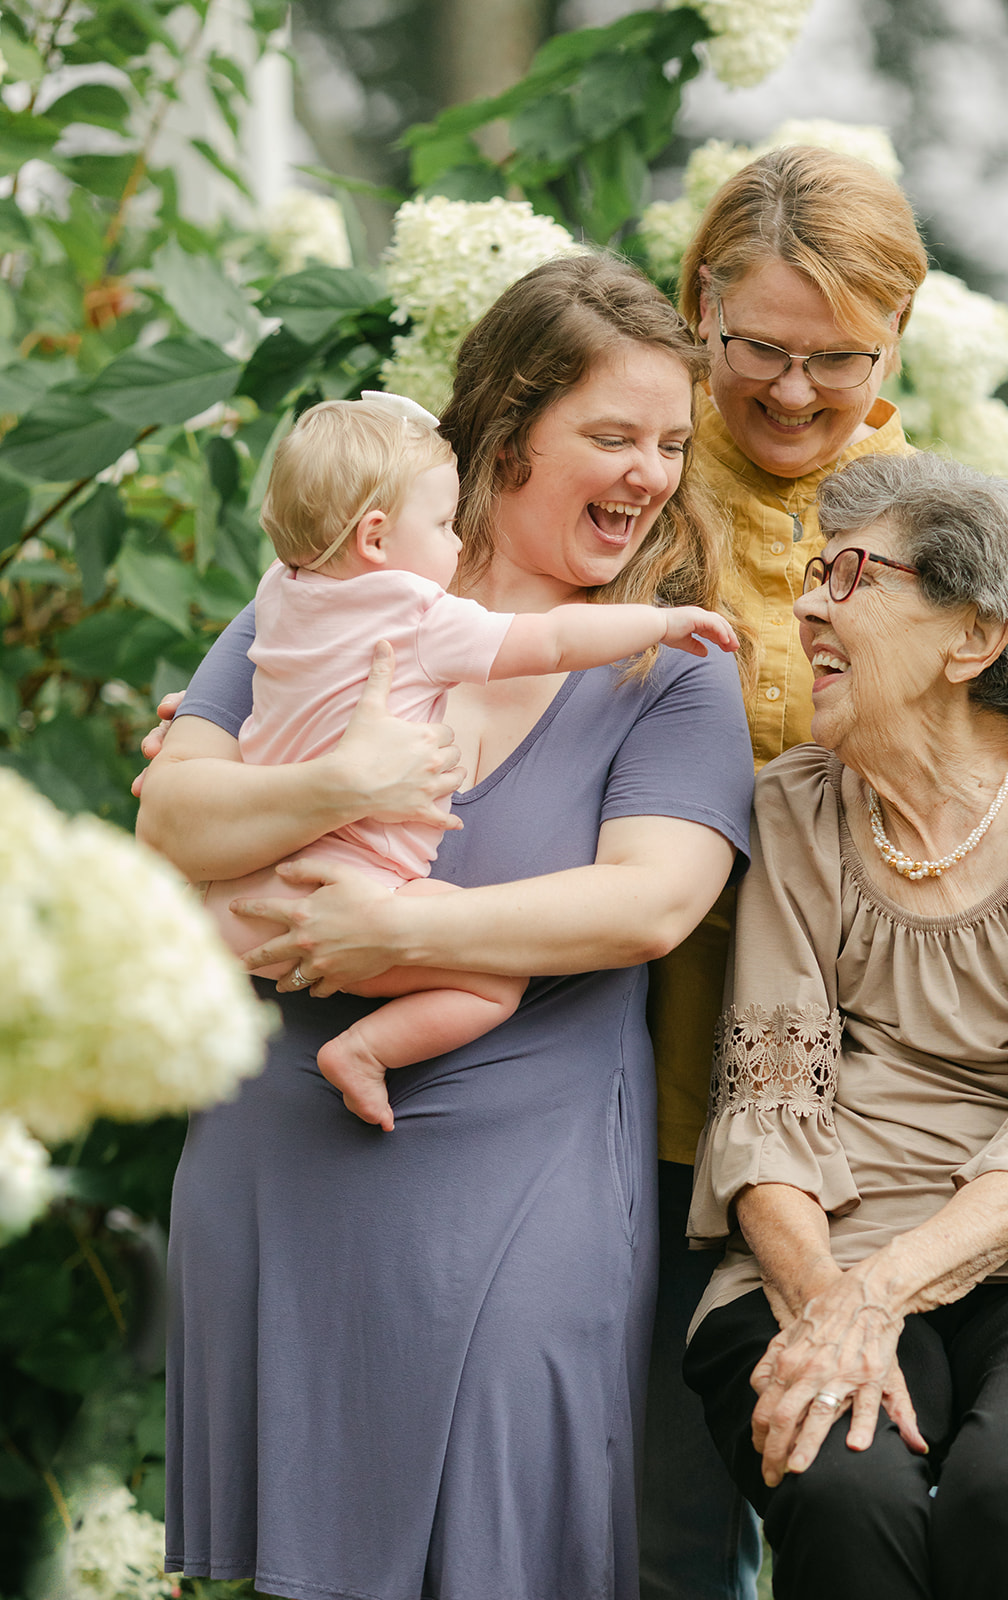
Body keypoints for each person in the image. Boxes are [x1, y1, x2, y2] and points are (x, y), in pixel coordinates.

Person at [137, 254, 756, 1600]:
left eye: (667, 441)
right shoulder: (314, 602)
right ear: (508, 425)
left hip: (523, 1149)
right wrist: (335, 789)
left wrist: (397, 929)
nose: (649, 473)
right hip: (281, 1137)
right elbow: (170, 829)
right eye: (611, 436)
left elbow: (649, 905)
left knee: (509, 1543)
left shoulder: (666, 663)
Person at [637, 144, 1008, 1600]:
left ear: (894, 343)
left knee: (946, 1483)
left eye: (841, 357)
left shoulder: (938, 535)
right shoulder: (636, 495)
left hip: (963, 1163)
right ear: (701, 307)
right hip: (662, 1104)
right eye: (761, 346)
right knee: (676, 1534)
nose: (794, 389)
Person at [205, 391, 738, 1130]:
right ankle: (362, 1051)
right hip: (349, 892)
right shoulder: (421, 618)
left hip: (235, 901)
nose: (459, 546)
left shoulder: (279, 596)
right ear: (376, 537)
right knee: (496, 983)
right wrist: (662, 620)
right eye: (446, 525)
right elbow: (552, 642)